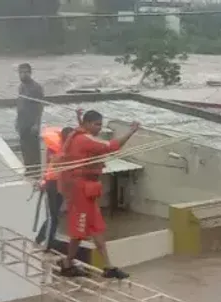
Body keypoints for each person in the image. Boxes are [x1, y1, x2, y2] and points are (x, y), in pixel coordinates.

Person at [58, 110, 139, 279]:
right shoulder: (84, 140)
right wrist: (131, 131)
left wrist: (79, 117)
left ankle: (108, 266)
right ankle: (67, 264)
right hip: (80, 190)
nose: (99, 128)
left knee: (96, 227)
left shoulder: (80, 135)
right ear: (87, 124)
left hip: (88, 189)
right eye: (96, 125)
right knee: (79, 231)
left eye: (101, 125)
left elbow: (84, 131)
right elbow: (111, 147)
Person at [35, 126, 74, 250]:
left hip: (61, 183)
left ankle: (43, 239)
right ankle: (45, 242)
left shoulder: (68, 149)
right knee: (53, 216)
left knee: (55, 215)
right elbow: (49, 164)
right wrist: (44, 181)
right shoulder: (54, 148)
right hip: (52, 183)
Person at [15, 63, 45, 173]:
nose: (23, 75)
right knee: (24, 147)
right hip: (22, 122)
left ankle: (36, 172)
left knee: (33, 149)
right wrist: (17, 121)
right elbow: (20, 105)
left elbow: (40, 106)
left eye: (25, 72)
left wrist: (37, 123)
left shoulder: (36, 87)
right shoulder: (21, 87)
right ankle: (28, 170)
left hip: (32, 123)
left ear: (30, 73)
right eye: (21, 72)